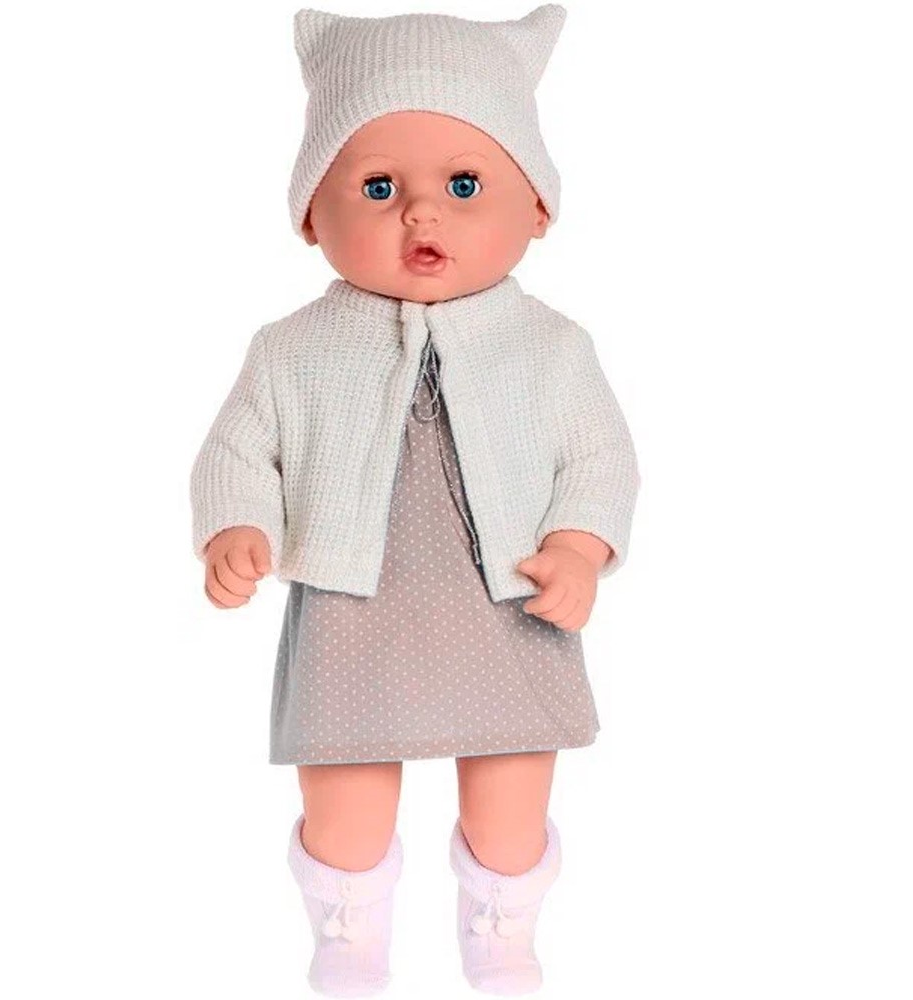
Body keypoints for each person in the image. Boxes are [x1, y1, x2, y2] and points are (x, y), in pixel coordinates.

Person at [189, 6, 640, 995]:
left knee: (509, 803)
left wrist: (576, 546)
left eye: (463, 185)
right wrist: (236, 525)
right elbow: (237, 449)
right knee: (343, 804)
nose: (420, 215)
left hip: (510, 608)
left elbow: (600, 458)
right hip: (353, 615)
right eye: (379, 187)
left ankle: (504, 921)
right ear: (312, 215)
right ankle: (347, 924)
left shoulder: (551, 350)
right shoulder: (291, 351)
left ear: (537, 208)